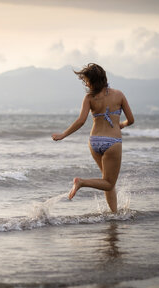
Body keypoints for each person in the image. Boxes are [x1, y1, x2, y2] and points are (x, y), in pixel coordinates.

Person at [51, 63, 134, 212]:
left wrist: (63, 135)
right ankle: (81, 182)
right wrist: (121, 124)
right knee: (109, 183)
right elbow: (131, 120)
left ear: (92, 81)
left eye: (86, 81)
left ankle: (114, 214)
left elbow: (81, 121)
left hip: (94, 142)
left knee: (106, 181)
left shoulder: (89, 98)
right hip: (112, 142)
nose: (86, 84)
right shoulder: (119, 95)